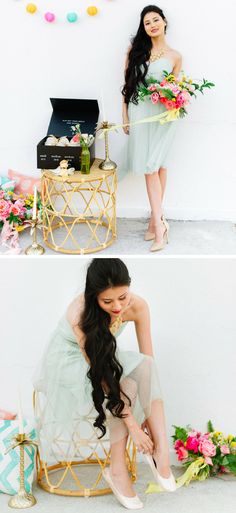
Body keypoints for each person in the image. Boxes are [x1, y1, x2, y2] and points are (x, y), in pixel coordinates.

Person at [33, 258, 176, 509]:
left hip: (105, 359)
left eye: (123, 297)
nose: (118, 306)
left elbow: (148, 360)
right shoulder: (80, 313)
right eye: (107, 302)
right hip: (69, 361)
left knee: (146, 367)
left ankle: (161, 451)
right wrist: (132, 423)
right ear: (94, 297)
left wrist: (148, 407)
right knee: (125, 386)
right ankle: (117, 470)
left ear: (129, 287)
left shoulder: (139, 306)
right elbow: (101, 371)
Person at [122, 5, 182, 252]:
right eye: (147, 22)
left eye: (155, 20)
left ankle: (158, 227)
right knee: (153, 168)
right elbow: (126, 86)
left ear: (164, 22)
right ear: (143, 28)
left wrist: (174, 98)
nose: (152, 25)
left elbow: (177, 91)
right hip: (139, 113)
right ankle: (154, 222)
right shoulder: (135, 51)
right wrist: (124, 115)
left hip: (164, 116)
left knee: (157, 167)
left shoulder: (175, 56)